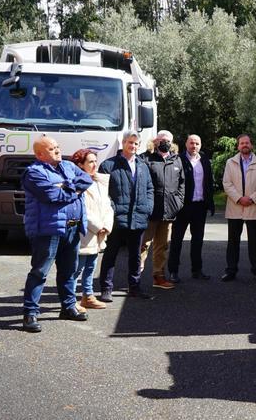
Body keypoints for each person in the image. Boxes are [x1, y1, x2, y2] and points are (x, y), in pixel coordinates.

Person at [20, 136, 93, 332]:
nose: (58, 150)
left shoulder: (68, 166)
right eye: (52, 149)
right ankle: (30, 314)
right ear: (40, 154)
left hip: (72, 227)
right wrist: (74, 190)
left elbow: (86, 179)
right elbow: (52, 196)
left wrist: (65, 187)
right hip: (47, 230)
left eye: (58, 147)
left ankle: (68, 307)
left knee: (69, 270)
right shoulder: (34, 173)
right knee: (40, 272)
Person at [97, 130, 155, 301]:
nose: (133, 146)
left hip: (138, 218)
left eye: (136, 144)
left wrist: (147, 208)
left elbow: (149, 189)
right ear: (123, 143)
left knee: (135, 256)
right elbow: (103, 192)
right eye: (130, 142)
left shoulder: (143, 166)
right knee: (111, 254)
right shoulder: (108, 165)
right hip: (116, 219)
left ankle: (135, 288)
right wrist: (112, 210)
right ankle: (106, 289)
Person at [138, 130, 185, 290]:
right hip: (150, 211)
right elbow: (140, 184)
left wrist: (178, 202)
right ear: (156, 141)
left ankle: (159, 277)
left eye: (168, 140)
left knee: (162, 246)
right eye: (162, 140)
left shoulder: (176, 159)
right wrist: (145, 205)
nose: (165, 142)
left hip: (169, 211)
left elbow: (182, 184)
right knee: (143, 245)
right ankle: (135, 278)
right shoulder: (145, 158)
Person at [221, 134, 256, 282]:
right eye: (241, 143)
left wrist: (252, 198)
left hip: (253, 206)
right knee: (233, 241)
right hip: (235, 207)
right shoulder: (230, 162)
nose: (244, 145)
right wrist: (239, 198)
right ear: (238, 146)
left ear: (251, 145)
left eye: (247, 143)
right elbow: (227, 183)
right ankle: (231, 271)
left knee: (255, 241)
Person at [168, 134, 215, 282]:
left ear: (200, 145)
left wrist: (210, 203)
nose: (194, 146)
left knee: (197, 241)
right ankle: (173, 272)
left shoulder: (205, 161)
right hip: (183, 207)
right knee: (176, 241)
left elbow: (209, 183)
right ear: (186, 144)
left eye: (197, 144)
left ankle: (197, 270)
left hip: (200, 207)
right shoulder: (178, 159)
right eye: (191, 143)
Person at [70, 148, 113, 310]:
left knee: (91, 266)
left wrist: (107, 226)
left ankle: (88, 296)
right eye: (90, 162)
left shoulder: (99, 181)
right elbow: (81, 209)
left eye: (96, 161)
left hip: (99, 232)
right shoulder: (78, 182)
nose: (95, 164)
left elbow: (108, 206)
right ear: (80, 165)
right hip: (85, 231)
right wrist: (97, 226)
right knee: (77, 268)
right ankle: (70, 299)